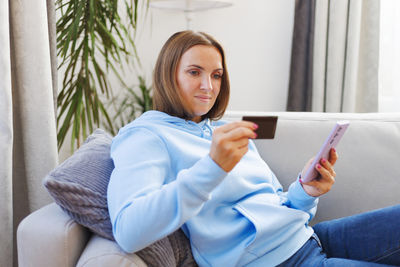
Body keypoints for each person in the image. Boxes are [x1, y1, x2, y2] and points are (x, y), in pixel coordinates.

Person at [107, 30, 400, 267]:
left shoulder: (224, 131)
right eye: (194, 72)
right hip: (278, 260)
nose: (208, 86)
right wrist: (212, 168)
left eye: (216, 75)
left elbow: (273, 202)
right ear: (168, 75)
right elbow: (129, 232)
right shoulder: (145, 136)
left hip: (309, 237)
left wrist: (305, 190)